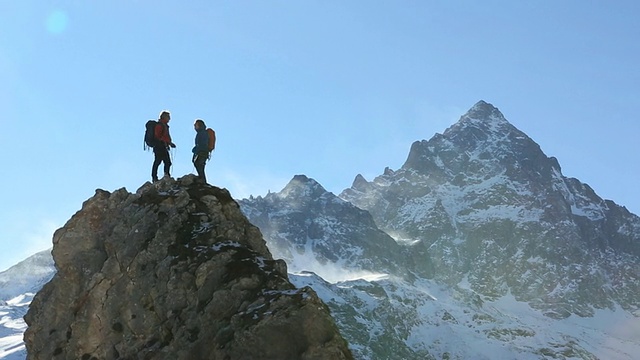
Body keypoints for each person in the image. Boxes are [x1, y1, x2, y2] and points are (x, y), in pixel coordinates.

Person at [152, 110, 176, 182]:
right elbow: (158, 136)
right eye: (168, 117)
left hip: (161, 146)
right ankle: (163, 176)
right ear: (164, 117)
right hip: (160, 146)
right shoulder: (160, 125)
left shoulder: (164, 125)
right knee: (163, 161)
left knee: (161, 161)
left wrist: (169, 143)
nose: (169, 119)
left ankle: (158, 176)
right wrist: (168, 142)